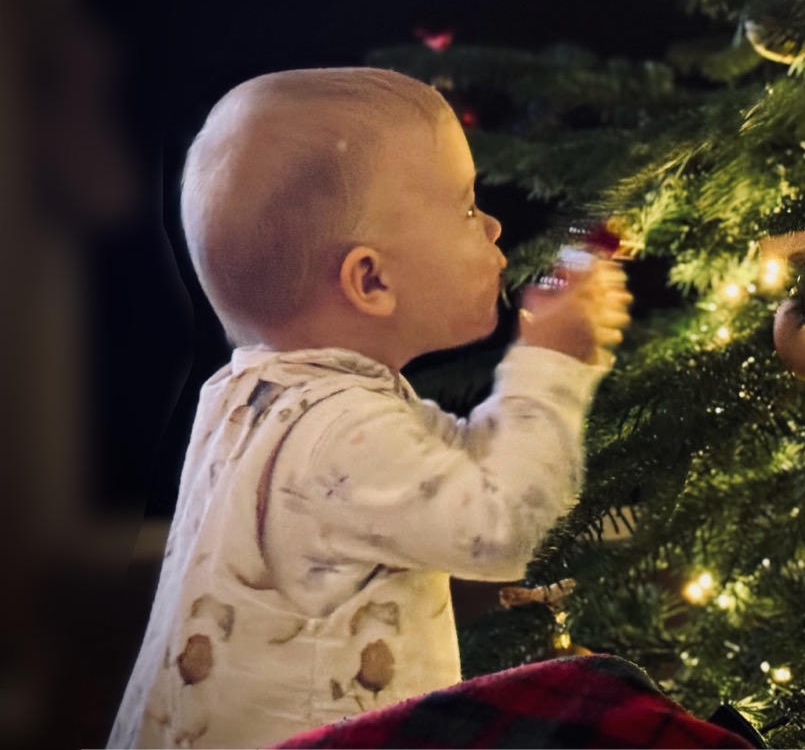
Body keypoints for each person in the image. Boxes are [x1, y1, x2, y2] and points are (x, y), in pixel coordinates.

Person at [108, 67, 632, 749]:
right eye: (468, 208)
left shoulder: (262, 397)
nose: (495, 224)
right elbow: (502, 528)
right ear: (371, 279)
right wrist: (553, 366)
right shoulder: (339, 431)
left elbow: (459, 464)